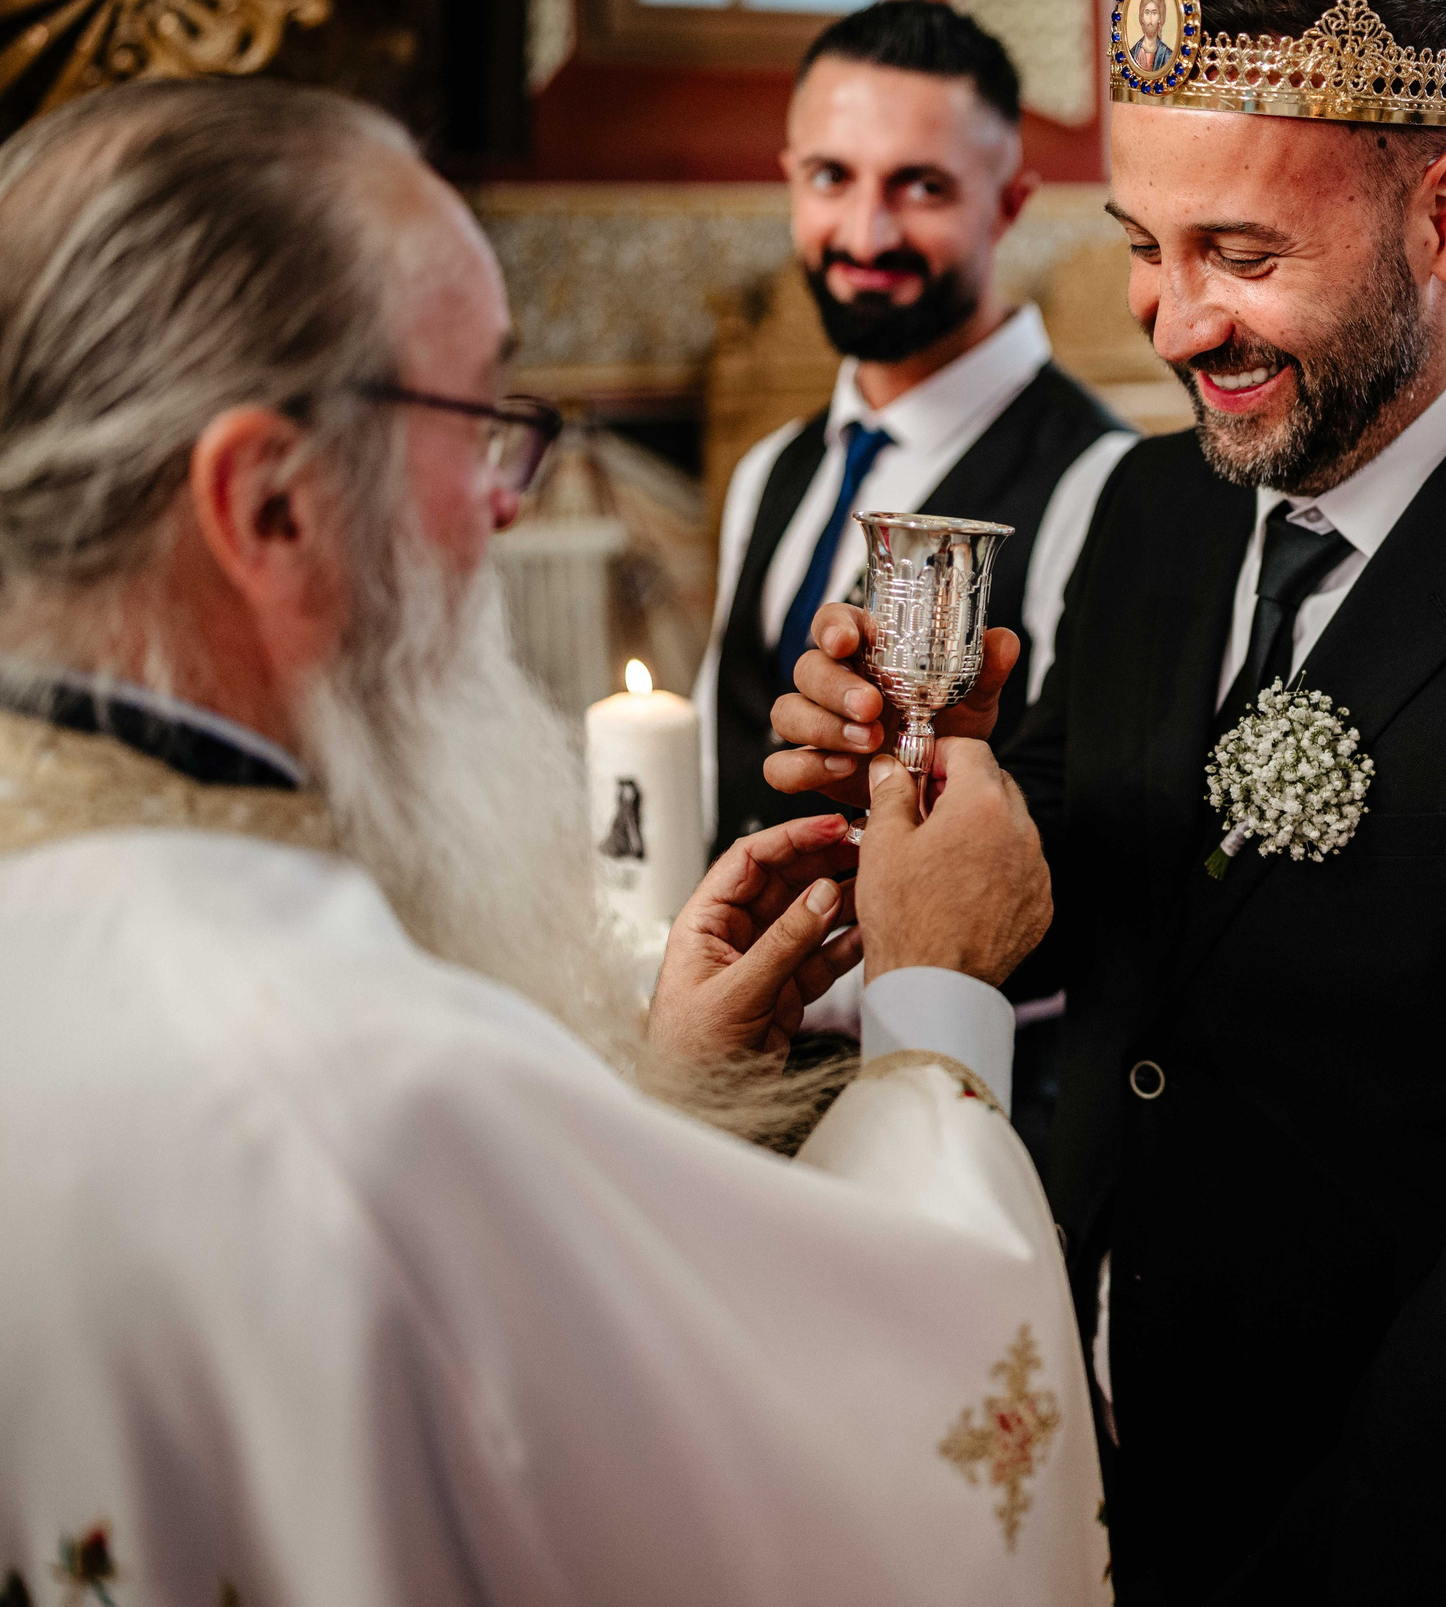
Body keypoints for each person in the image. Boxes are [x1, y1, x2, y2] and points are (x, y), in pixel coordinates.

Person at [0, 79, 1108, 1604]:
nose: (509, 510)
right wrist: (933, 1011)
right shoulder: (364, 1092)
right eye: (479, 424)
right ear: (268, 505)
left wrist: (661, 1086)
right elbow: (878, 1478)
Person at [769, 0, 1446, 1598]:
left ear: (1444, 213)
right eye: (1144, 244)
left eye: (1243, 257)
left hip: (1362, 1521)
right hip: (1079, 1422)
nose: (1174, 323)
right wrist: (928, 779)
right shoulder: (1146, 503)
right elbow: (1083, 880)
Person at [700, 0, 1133, 856]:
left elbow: (1088, 830)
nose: (867, 233)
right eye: (832, 177)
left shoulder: (1107, 483)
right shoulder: (770, 469)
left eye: (922, 185)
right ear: (792, 178)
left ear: (1009, 205)